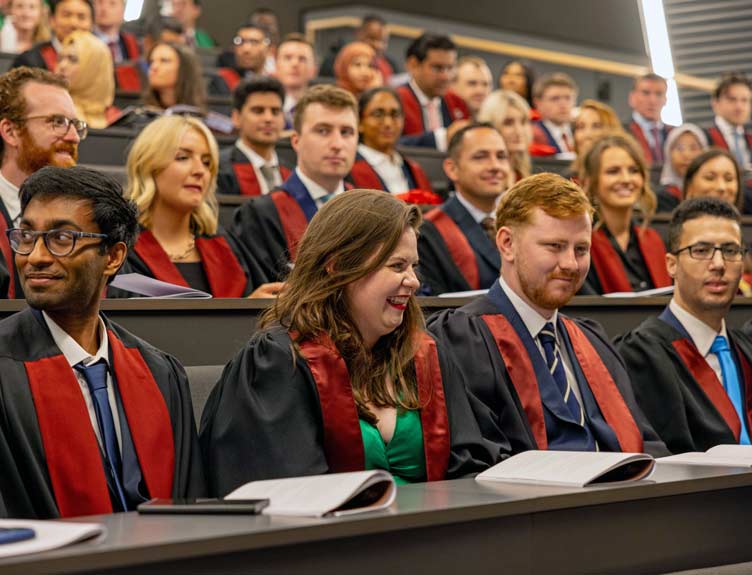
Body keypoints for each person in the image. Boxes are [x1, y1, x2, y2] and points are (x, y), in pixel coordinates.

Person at [201, 189, 502, 494]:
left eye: (414, 266)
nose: (413, 281)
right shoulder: (280, 361)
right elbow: (282, 496)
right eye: (397, 266)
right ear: (338, 265)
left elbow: (470, 465)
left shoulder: (424, 357)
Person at [0, 165, 205, 518]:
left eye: (62, 239)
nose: (35, 256)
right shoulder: (6, 371)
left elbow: (191, 508)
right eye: (28, 236)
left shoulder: (160, 374)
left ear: (113, 257)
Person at [427, 173, 667, 456]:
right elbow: (478, 462)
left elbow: (645, 442)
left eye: (581, 249)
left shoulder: (592, 341)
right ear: (507, 244)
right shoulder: (464, 337)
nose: (570, 264)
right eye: (554, 246)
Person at [616, 197, 752, 453]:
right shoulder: (643, 355)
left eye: (731, 251)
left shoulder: (745, 350)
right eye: (701, 251)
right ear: (671, 264)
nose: (719, 264)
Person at [123, 115, 279, 298]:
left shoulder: (224, 245)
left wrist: (251, 309)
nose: (200, 171)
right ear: (149, 165)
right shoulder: (121, 252)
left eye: (206, 162)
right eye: (182, 157)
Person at [232, 84, 358, 281]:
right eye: (323, 131)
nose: (337, 144)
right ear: (296, 141)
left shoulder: (371, 211)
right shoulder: (261, 215)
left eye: (347, 132)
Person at [0, 66, 83, 298]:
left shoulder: (88, 214)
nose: (73, 136)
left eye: (75, 125)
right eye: (57, 122)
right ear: (11, 131)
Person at [418, 123, 510, 295]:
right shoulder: (428, 232)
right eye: (480, 157)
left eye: (501, 156)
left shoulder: (521, 223)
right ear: (452, 169)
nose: (495, 166)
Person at [579, 133, 671, 295]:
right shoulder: (580, 245)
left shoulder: (656, 241)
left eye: (633, 170)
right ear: (590, 181)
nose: (626, 179)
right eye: (613, 171)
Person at [350, 86, 434, 197]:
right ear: (359, 122)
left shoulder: (413, 169)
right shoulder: (348, 168)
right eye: (378, 114)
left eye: (395, 114)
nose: (388, 123)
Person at [217, 76, 291, 197]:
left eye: (275, 111)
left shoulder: (291, 173)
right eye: (258, 111)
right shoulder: (219, 169)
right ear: (236, 117)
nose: (269, 118)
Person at [396, 33, 469, 151]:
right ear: (413, 65)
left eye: (450, 68)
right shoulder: (395, 101)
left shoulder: (458, 103)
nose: (445, 76)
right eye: (437, 68)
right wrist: (438, 139)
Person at [55, 30, 114, 129]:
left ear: (94, 68)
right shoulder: (49, 115)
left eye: (72, 59)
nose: (62, 66)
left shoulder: (118, 119)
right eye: (60, 59)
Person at [12, 0, 92, 71]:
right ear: (52, 20)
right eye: (66, 15)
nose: (73, 23)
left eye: (81, 17)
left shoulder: (98, 61)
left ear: (92, 24)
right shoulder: (29, 61)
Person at [477, 89, 532, 181]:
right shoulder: (485, 176)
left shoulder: (522, 171)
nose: (519, 131)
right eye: (508, 123)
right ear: (491, 127)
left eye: (523, 122)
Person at [706, 73, 752, 171]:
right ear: (715, 103)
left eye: (744, 100)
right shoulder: (703, 139)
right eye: (732, 99)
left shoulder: (750, 139)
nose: (739, 107)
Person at [656, 123, 707, 209]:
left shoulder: (712, 190)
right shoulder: (661, 197)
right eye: (679, 148)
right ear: (668, 154)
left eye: (694, 148)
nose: (686, 155)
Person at [143, 41, 206, 111]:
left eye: (164, 60)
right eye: (151, 62)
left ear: (184, 68)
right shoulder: (137, 117)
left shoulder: (208, 121)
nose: (153, 67)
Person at [627, 73, 672, 166]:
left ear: (665, 100)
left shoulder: (675, 134)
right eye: (646, 93)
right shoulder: (620, 132)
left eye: (659, 94)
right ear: (632, 98)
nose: (652, 100)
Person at [275, 33, 316, 129]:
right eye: (287, 58)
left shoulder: (322, 109)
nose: (295, 64)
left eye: (302, 59)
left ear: (314, 69)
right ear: (276, 66)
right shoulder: (264, 107)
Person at [531, 72, 577, 157]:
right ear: (538, 103)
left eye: (568, 98)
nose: (563, 104)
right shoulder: (533, 135)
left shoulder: (580, 131)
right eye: (555, 98)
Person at [215, 23, 270, 92]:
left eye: (254, 42)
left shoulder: (278, 80)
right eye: (240, 42)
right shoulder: (222, 80)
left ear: (267, 48)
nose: (246, 49)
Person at [355, 14, 400, 81]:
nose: (378, 45)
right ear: (359, 34)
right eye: (372, 38)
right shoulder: (338, 59)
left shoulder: (391, 65)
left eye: (383, 41)